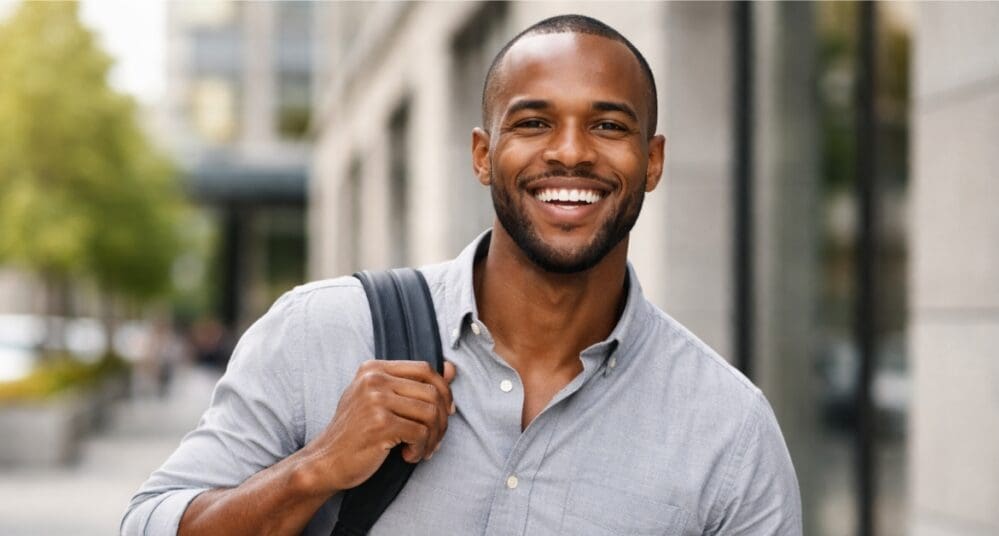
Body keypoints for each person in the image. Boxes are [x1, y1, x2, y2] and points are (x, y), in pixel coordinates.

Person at [123, 14, 801, 535]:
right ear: (484, 154)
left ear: (651, 162)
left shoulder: (729, 431)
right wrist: (314, 471)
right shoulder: (319, 333)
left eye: (608, 126)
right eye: (534, 122)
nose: (570, 152)